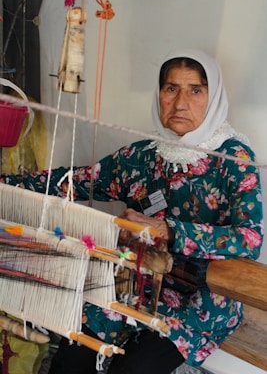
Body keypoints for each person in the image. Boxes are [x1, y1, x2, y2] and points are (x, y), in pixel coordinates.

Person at [1, 50, 263, 374]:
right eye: (171, 89)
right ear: (159, 94)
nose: (180, 102)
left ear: (214, 96)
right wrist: (7, 184)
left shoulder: (234, 160)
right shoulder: (143, 157)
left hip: (201, 302)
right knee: (71, 358)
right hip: (135, 286)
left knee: (132, 370)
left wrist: (168, 230)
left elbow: (250, 238)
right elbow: (77, 181)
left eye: (195, 90)